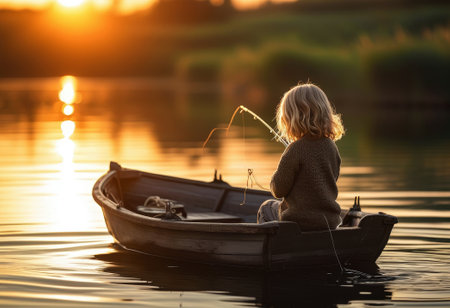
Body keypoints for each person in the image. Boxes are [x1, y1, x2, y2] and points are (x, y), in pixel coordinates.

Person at [257, 82, 345, 231]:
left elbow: (279, 190)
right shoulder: (332, 147)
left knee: (266, 207)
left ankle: (273, 248)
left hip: (297, 222)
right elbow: (331, 179)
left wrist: (274, 178)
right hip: (329, 222)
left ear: (293, 118)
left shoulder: (295, 149)